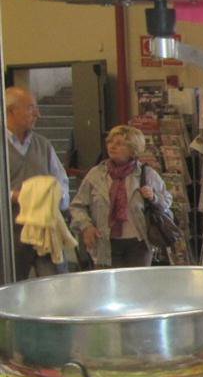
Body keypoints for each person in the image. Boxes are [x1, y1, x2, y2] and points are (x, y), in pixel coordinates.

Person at [69, 125, 171, 268]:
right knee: (108, 282)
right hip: (105, 243)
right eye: (110, 142)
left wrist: (154, 197)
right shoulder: (96, 174)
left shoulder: (147, 174)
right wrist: (86, 226)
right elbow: (77, 206)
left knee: (136, 281)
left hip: (138, 244)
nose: (112, 146)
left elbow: (167, 200)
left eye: (120, 144)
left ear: (132, 149)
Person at [6, 86, 69, 279]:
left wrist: (55, 198)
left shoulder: (43, 145)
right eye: (31, 108)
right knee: (10, 289)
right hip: (9, 237)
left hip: (46, 235)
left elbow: (61, 180)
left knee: (56, 286)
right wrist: (17, 196)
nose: (38, 114)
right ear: (11, 111)